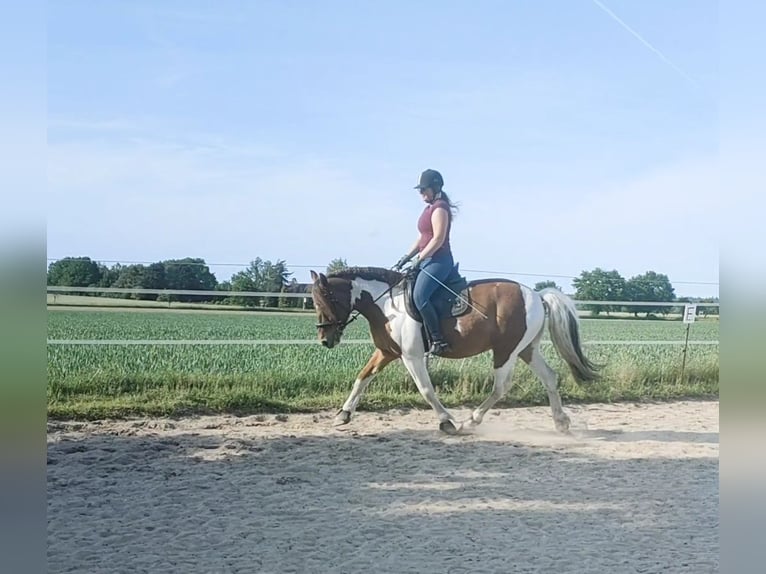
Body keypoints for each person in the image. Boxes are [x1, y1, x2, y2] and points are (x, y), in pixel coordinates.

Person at [394, 168, 459, 356]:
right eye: (420, 190)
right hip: (426, 259)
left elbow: (437, 239)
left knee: (420, 296)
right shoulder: (428, 209)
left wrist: (418, 259)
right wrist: (406, 257)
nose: (421, 193)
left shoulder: (440, 208)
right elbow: (422, 237)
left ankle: (438, 340)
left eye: (424, 189)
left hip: (440, 260)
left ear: (436, 187)